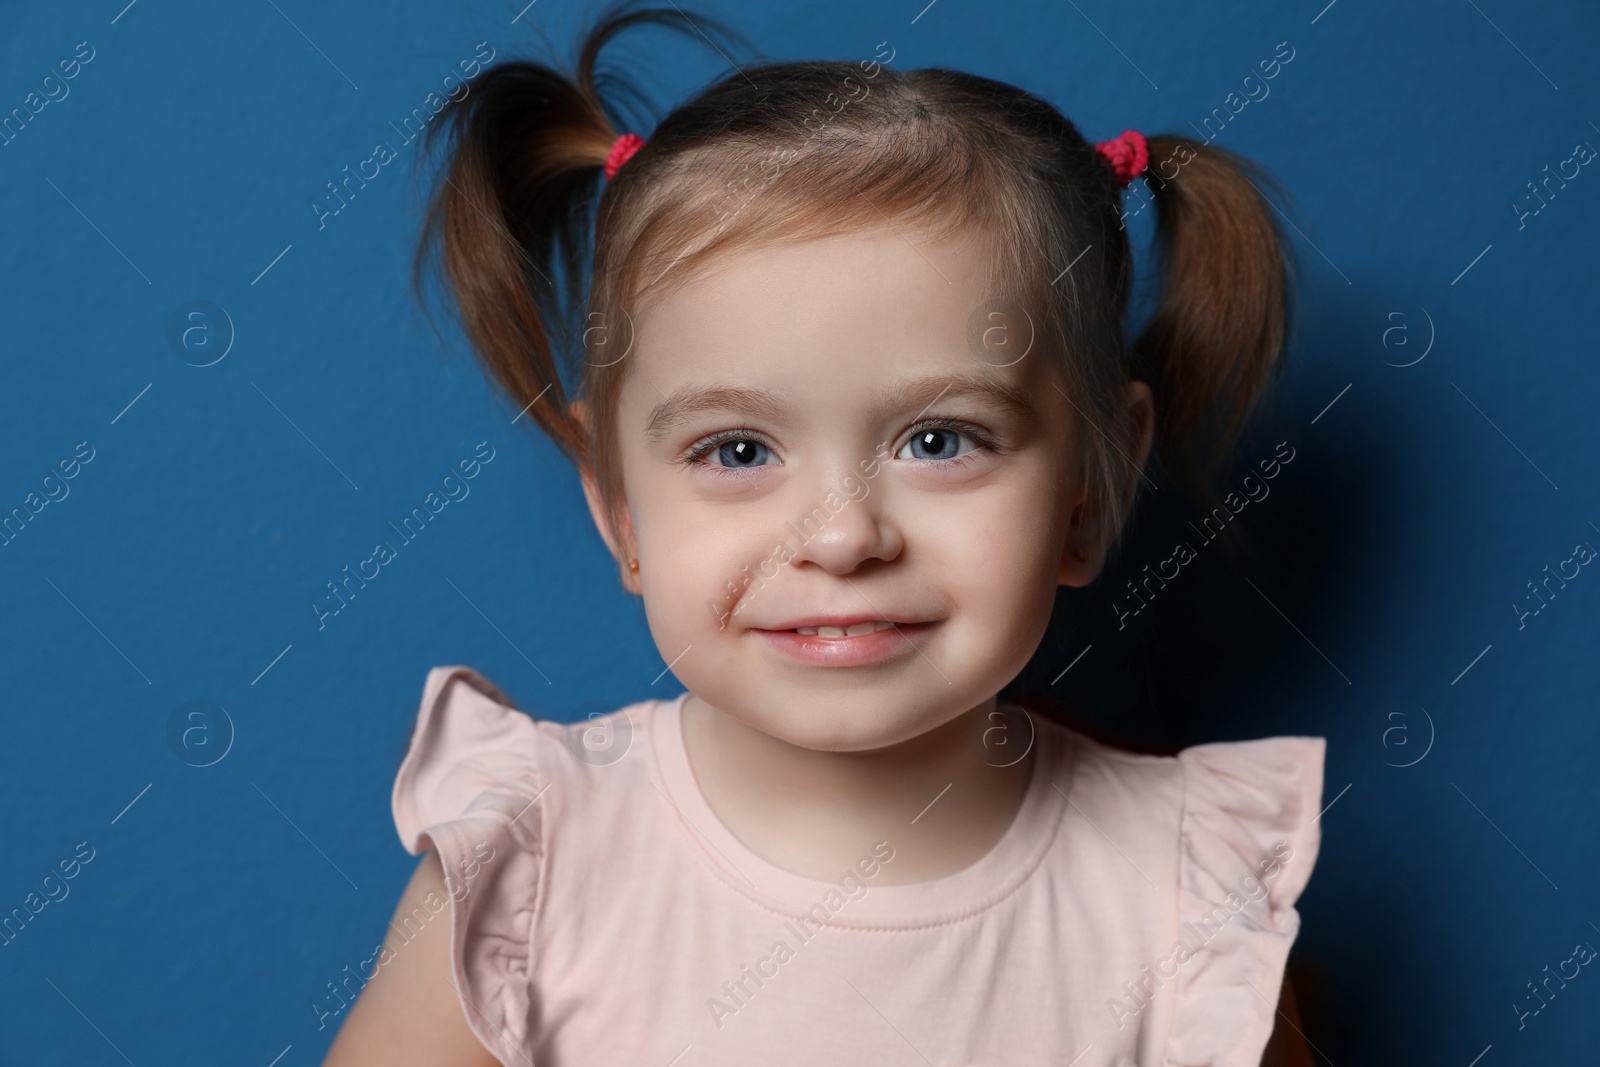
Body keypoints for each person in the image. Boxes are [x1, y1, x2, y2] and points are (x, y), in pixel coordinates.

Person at [323, 3, 1326, 1063]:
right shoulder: (532, 870)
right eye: (739, 451)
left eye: (941, 438)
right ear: (619, 504)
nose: (841, 537)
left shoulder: (1178, 896)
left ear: (1092, 482)